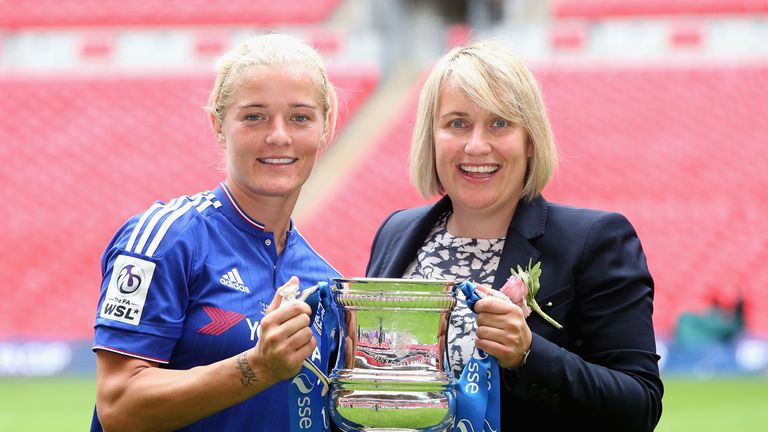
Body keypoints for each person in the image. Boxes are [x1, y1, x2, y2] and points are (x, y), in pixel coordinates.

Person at [366, 40, 663, 431]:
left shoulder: (595, 240)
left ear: (529, 139)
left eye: (499, 123)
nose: (476, 145)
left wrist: (528, 353)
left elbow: (639, 406)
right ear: (431, 137)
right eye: (457, 123)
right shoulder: (396, 232)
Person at [91, 33, 340, 431]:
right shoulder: (165, 240)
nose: (279, 136)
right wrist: (257, 366)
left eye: (300, 117)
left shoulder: (325, 280)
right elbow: (119, 406)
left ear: (325, 129)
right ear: (219, 126)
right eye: (254, 116)